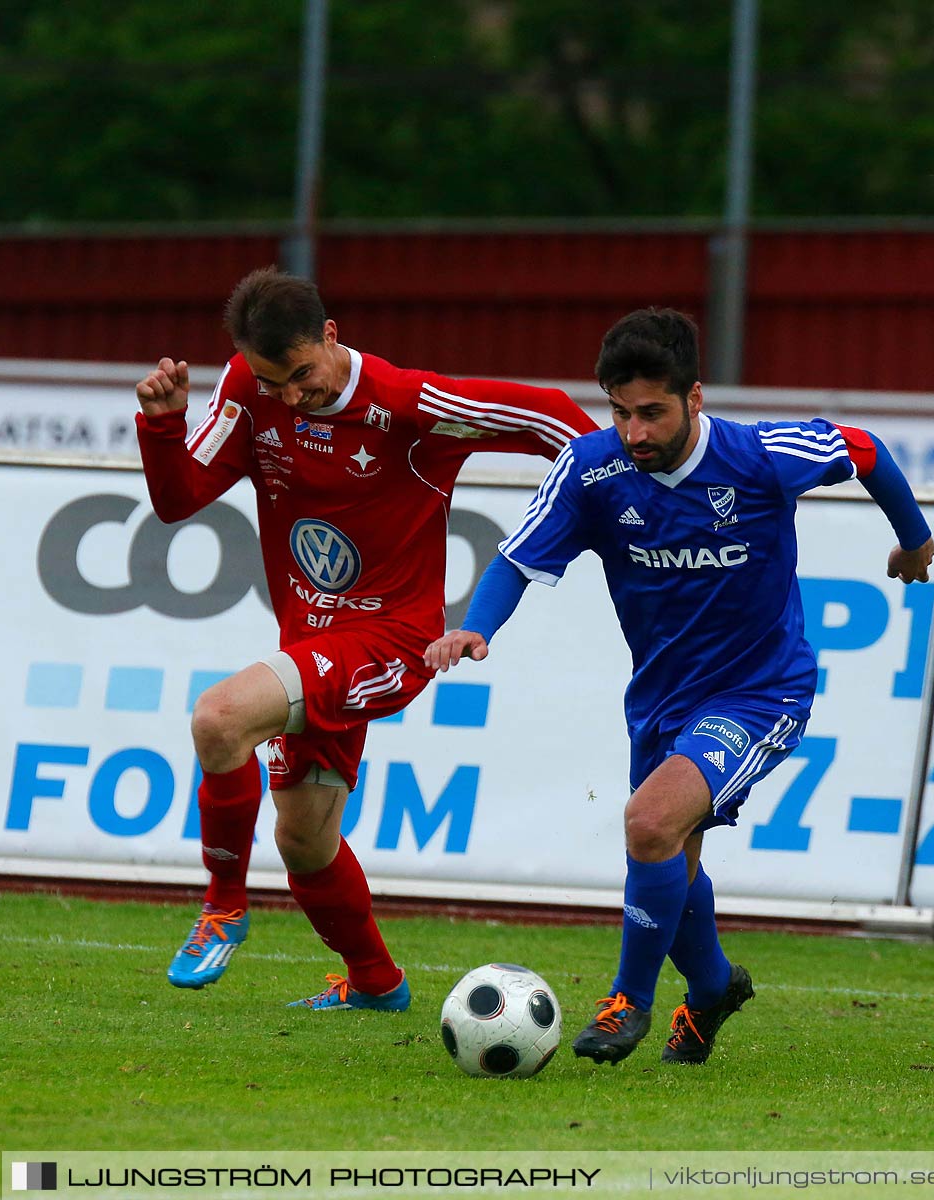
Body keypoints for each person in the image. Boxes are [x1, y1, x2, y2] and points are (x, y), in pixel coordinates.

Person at [426, 307, 934, 1065]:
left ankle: (628, 1000)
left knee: (650, 824)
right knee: (672, 850)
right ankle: (714, 988)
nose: (635, 432)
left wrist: (915, 540)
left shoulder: (761, 456)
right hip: (661, 699)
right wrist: (479, 626)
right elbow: (517, 559)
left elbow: (863, 449)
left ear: (695, 397)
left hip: (762, 691)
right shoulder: (592, 470)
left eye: (653, 412)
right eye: (620, 412)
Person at [136, 267, 597, 1010]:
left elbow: (546, 417)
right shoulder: (247, 388)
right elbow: (177, 497)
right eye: (271, 380)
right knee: (305, 840)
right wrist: (162, 425)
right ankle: (377, 985)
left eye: (301, 376)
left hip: (391, 638)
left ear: (331, 336)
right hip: (308, 643)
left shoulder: (410, 404)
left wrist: (625, 491)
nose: (288, 395)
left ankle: (222, 906)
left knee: (219, 717)